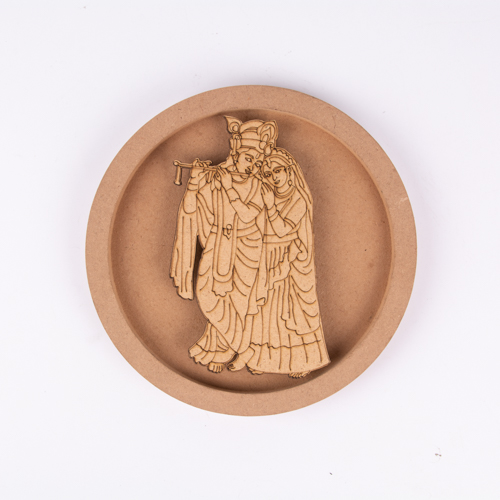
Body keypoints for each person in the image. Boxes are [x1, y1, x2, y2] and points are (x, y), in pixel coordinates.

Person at [170, 116, 278, 373]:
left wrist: (229, 188)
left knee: (241, 304)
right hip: (217, 245)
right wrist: (194, 181)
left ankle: (232, 349)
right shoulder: (215, 178)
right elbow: (192, 209)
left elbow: (249, 216)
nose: (252, 166)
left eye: (258, 162)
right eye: (248, 159)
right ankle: (243, 348)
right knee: (209, 295)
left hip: (249, 249)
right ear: (236, 154)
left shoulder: (259, 185)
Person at [227, 148, 330, 378]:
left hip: (289, 259)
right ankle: (261, 358)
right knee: (264, 310)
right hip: (267, 256)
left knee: (289, 312)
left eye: (277, 171)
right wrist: (231, 187)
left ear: (289, 172)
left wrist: (270, 205)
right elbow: (249, 217)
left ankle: (302, 361)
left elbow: (283, 230)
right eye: (268, 173)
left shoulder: (298, 199)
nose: (273, 177)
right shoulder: (267, 194)